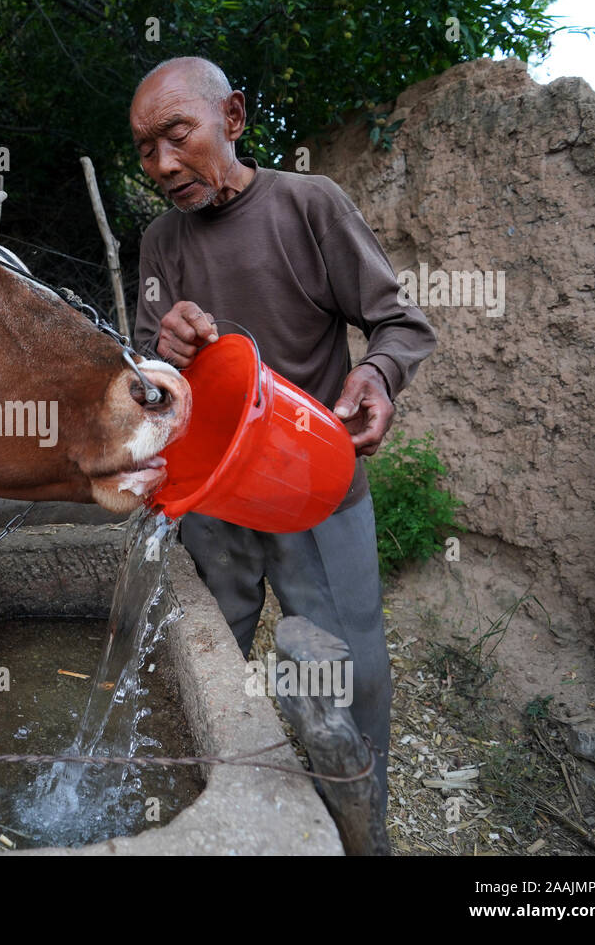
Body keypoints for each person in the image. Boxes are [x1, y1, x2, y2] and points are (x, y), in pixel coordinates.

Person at [130, 56, 437, 813]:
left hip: (314, 487)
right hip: (212, 497)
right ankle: (213, 806)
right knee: (205, 653)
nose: (163, 164)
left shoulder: (309, 205)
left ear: (232, 118)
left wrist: (379, 375)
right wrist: (163, 351)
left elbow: (399, 321)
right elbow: (141, 378)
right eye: (145, 149)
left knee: (346, 671)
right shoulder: (161, 244)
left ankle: (354, 813)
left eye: (177, 135)